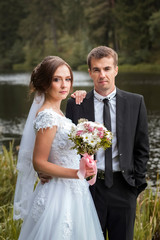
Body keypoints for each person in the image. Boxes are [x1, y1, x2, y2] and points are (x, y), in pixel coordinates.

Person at [13, 56, 104, 240]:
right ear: (45, 83)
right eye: (57, 79)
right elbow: (39, 163)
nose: (64, 85)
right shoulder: (47, 116)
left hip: (75, 192)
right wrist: (77, 173)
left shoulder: (59, 113)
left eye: (67, 79)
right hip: (58, 195)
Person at [66, 46, 149, 240]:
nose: (102, 74)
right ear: (90, 73)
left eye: (107, 68)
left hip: (124, 186)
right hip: (89, 188)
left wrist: (136, 185)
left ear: (116, 70)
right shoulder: (76, 104)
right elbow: (68, 149)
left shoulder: (135, 102)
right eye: (96, 70)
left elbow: (142, 147)